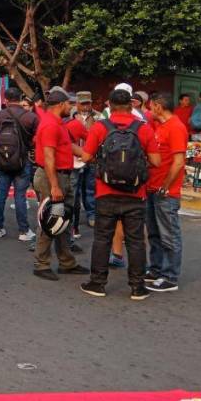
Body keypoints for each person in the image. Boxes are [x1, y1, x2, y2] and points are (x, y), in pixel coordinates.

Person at [77, 88, 161, 300]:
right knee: (135, 241)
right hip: (135, 193)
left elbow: (86, 157)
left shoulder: (100, 127)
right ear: (131, 105)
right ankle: (137, 287)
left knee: (102, 238)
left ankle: (97, 283)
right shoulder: (143, 128)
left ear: (110, 106)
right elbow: (157, 162)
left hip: (106, 192)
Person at [31, 88, 87, 281]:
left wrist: (85, 154)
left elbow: (66, 146)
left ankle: (66, 262)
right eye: (69, 104)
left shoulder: (57, 123)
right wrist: (54, 186)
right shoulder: (50, 125)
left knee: (62, 221)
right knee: (50, 221)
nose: (71, 107)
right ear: (61, 105)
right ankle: (41, 264)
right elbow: (48, 158)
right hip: (52, 177)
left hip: (60, 176)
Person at [144, 93, 188, 294]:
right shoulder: (159, 126)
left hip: (166, 191)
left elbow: (178, 162)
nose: (149, 110)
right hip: (153, 188)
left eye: (151, 106)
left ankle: (170, 276)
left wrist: (165, 185)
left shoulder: (176, 127)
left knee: (169, 234)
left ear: (159, 107)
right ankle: (155, 269)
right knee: (154, 233)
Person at [0, 87, 39, 241]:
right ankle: (24, 231)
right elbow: (37, 140)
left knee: (1, 195)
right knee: (20, 196)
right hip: (22, 161)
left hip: (3, 160)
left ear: (6, 99)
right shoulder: (30, 117)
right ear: (20, 98)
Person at [66, 91, 97, 230]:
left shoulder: (98, 116)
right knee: (74, 189)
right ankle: (73, 220)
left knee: (90, 188)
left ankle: (91, 215)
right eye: (82, 103)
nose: (85, 107)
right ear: (77, 103)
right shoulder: (69, 115)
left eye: (88, 103)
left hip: (90, 158)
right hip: (74, 159)